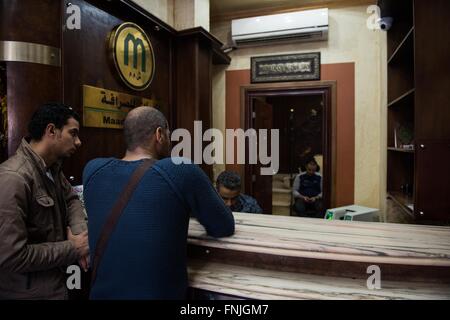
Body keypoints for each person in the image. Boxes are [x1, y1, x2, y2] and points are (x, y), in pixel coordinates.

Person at [82, 106, 234, 299]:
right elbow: (224, 225)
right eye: (169, 132)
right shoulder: (180, 170)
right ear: (159, 134)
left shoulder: (93, 170)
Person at [0, 102, 89, 299]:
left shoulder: (52, 168)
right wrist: (73, 248)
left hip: (57, 285)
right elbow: (11, 256)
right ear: (51, 131)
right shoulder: (13, 178)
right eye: (73, 133)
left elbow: (72, 197)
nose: (78, 142)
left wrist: (80, 234)